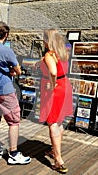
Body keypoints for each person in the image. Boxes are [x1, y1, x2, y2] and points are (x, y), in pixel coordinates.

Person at [0, 21, 31, 165]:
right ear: (6, 34)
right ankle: (14, 154)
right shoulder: (7, 50)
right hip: (5, 90)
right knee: (14, 121)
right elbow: (18, 71)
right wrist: (10, 70)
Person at [39, 29, 73, 173]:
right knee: (59, 121)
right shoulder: (63, 53)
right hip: (65, 86)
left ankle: (58, 160)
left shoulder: (49, 54)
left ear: (47, 40)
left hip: (55, 90)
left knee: (52, 122)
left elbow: (52, 72)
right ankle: (54, 150)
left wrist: (51, 84)